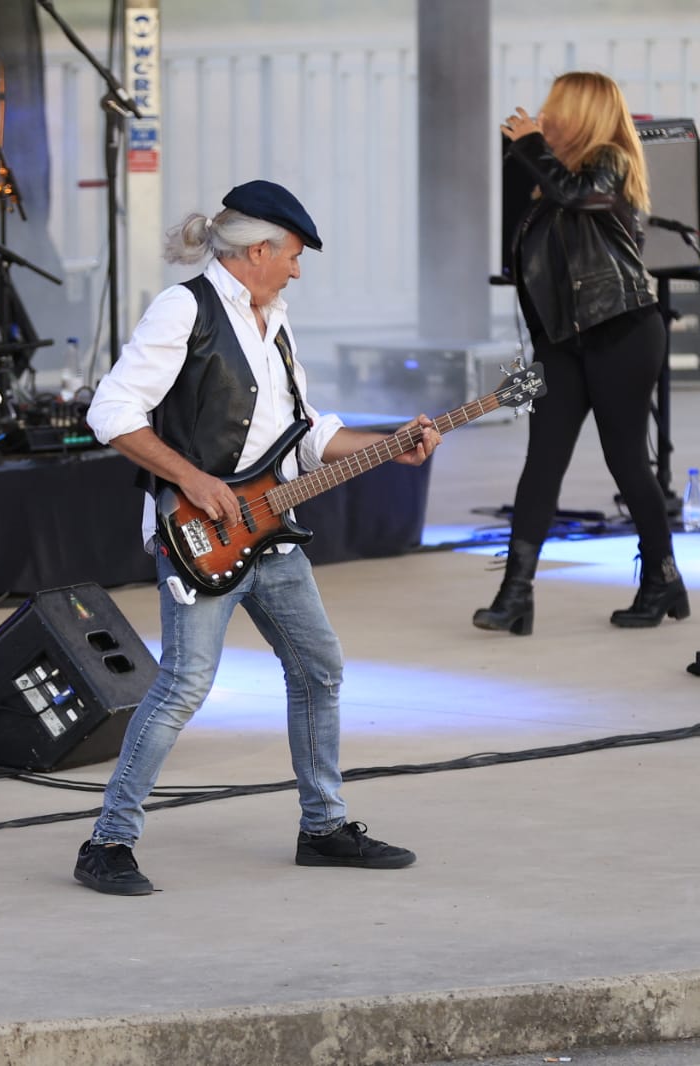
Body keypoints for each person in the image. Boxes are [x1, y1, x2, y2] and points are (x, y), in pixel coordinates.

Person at [75, 179, 442, 896]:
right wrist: (194, 481)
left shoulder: (275, 321)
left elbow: (301, 436)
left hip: (271, 535)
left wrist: (388, 443)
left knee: (318, 669)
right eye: (294, 255)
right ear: (259, 249)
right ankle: (107, 843)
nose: (298, 270)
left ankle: (324, 827)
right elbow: (112, 409)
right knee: (183, 685)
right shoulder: (185, 308)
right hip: (201, 534)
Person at [475, 71, 688, 636]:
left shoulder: (611, 162)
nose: (545, 113)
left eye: (557, 106)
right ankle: (515, 592)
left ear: (584, 111)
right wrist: (521, 153)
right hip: (563, 342)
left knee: (626, 461)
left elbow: (578, 195)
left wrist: (530, 146)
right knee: (542, 461)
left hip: (621, 328)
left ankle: (661, 576)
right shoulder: (548, 176)